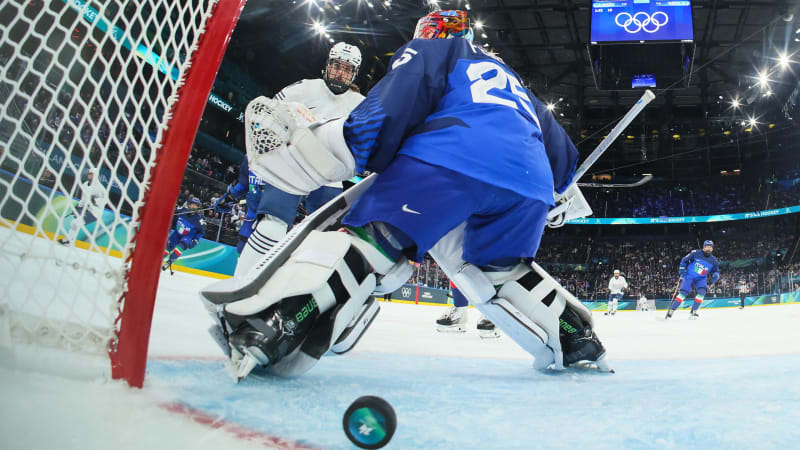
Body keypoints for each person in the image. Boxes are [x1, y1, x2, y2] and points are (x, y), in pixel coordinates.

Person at [207, 9, 611, 381]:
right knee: (498, 272)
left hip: (453, 158)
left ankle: (275, 326)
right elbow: (562, 156)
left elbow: (394, 103)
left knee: (374, 240)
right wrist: (556, 196)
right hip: (528, 188)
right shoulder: (514, 81)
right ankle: (577, 338)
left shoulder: (436, 49)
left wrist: (346, 146)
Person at [235, 42, 365, 276]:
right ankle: (240, 283)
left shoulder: (362, 105)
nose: (340, 73)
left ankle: (299, 289)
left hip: (329, 177)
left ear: (354, 74)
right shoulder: (305, 88)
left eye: (347, 69)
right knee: (271, 226)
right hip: (291, 168)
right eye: (337, 66)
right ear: (328, 66)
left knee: (327, 239)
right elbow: (269, 113)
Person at [665, 240, 720, 320]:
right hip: (689, 276)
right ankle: (672, 310)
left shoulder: (714, 260)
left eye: (711, 247)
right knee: (683, 293)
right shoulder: (695, 253)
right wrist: (682, 269)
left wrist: (716, 275)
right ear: (704, 247)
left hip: (701, 278)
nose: (709, 248)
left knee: (702, 293)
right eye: (707, 246)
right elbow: (684, 260)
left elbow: (716, 270)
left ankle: (693, 312)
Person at [58, 167, 105, 246]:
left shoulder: (100, 188)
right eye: (89, 174)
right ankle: (69, 240)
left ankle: (69, 241)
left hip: (95, 212)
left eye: (92, 174)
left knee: (75, 223)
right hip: (86, 209)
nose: (90, 175)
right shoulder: (85, 184)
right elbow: (83, 199)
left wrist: (94, 201)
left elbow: (103, 202)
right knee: (74, 223)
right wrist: (78, 206)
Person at [162, 197, 206, 273]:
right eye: (192, 204)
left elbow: (201, 232)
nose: (193, 206)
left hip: (188, 236)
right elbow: (173, 215)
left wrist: (196, 240)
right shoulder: (182, 211)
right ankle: (160, 259)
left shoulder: (199, 220)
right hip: (176, 233)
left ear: (198, 207)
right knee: (168, 247)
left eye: (196, 205)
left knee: (181, 246)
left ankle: (170, 261)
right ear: (189, 204)